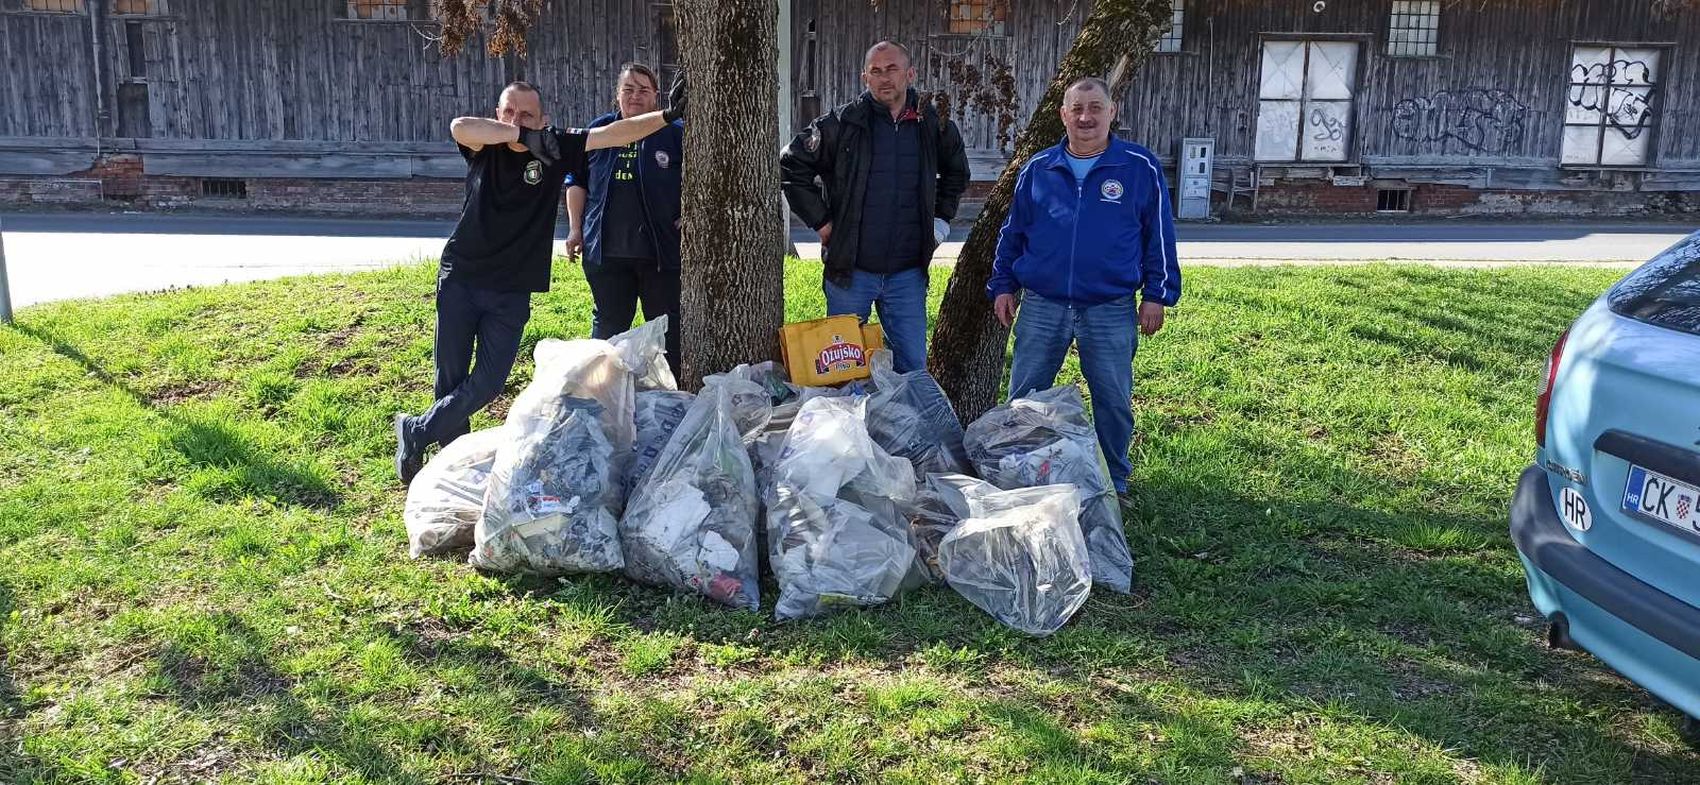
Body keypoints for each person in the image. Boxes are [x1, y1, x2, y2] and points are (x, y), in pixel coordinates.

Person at [394, 79, 686, 485]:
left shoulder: (556, 148)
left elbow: (612, 133)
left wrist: (668, 116)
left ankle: (417, 429)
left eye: (527, 114)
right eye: (509, 112)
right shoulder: (485, 147)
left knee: (491, 380)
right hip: (462, 275)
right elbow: (460, 126)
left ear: (543, 118)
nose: (517, 119)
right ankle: (450, 467)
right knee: (451, 376)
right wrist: (520, 134)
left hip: (513, 285)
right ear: (499, 115)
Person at [987, 76, 1180, 495]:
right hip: (1042, 304)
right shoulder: (1038, 169)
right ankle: (1023, 475)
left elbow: (1158, 235)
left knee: (1112, 401)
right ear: (1063, 115)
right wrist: (1003, 285)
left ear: (1112, 112)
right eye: (1077, 108)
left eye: (1095, 107)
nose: (1085, 116)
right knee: (1026, 399)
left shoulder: (1138, 167)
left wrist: (1156, 295)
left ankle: (1115, 482)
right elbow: (1013, 232)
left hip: (1109, 306)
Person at [780, 40, 970, 374]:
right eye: (876, 71)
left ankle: (907, 427)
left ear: (909, 73)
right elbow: (791, 166)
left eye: (892, 69)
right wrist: (822, 224)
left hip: (908, 273)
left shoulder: (933, 123)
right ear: (864, 77)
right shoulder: (842, 124)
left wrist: (941, 219)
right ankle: (849, 427)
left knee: (912, 368)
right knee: (841, 371)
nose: (884, 78)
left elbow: (957, 173)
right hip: (851, 273)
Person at [564, 63, 685, 378]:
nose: (635, 96)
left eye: (644, 90)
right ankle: (599, 398)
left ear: (656, 97)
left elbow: (698, 179)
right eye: (628, 89)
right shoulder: (600, 131)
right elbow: (576, 180)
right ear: (617, 95)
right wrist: (576, 229)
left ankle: (671, 400)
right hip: (606, 255)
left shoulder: (674, 133)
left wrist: (691, 215)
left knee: (667, 333)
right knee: (607, 333)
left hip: (660, 256)